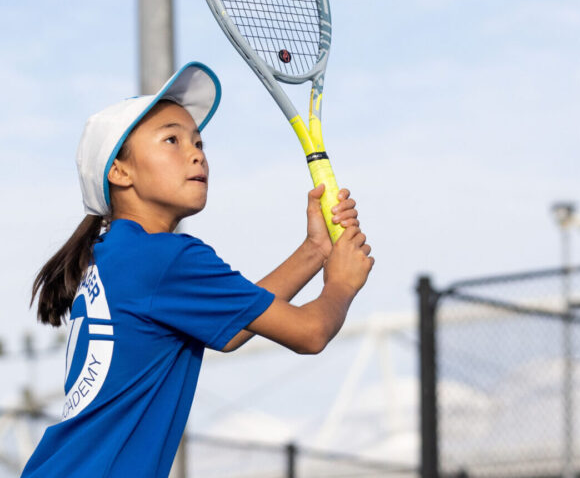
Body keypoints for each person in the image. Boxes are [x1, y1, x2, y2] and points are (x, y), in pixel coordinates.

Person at [21, 61, 373, 477]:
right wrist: (341, 285)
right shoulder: (164, 257)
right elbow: (310, 333)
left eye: (199, 143)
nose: (195, 154)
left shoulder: (117, 254)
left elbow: (235, 327)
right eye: (171, 140)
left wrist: (316, 250)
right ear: (120, 171)